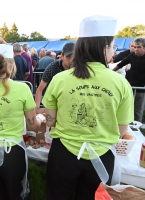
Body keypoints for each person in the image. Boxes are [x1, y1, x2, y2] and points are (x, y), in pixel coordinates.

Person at [43, 15, 134, 200]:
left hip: (63, 155)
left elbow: (50, 121)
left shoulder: (60, 79)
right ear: (104, 48)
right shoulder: (120, 82)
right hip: (101, 156)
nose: (113, 51)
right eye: (113, 46)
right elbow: (121, 130)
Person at [0, 46, 45, 200]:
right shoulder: (22, 88)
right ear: (11, 67)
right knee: (14, 193)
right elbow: (33, 125)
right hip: (12, 151)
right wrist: (42, 118)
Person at [113, 37, 145, 122]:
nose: (136, 49)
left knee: (137, 110)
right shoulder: (132, 55)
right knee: (126, 107)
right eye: (134, 47)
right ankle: (126, 125)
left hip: (141, 88)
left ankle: (137, 127)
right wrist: (111, 73)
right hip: (130, 86)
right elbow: (120, 64)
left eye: (139, 47)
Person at [35, 42, 75, 108]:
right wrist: (37, 108)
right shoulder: (53, 67)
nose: (71, 60)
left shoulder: (79, 68)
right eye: (68, 57)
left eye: (74, 57)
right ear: (61, 56)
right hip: (53, 101)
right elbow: (40, 89)